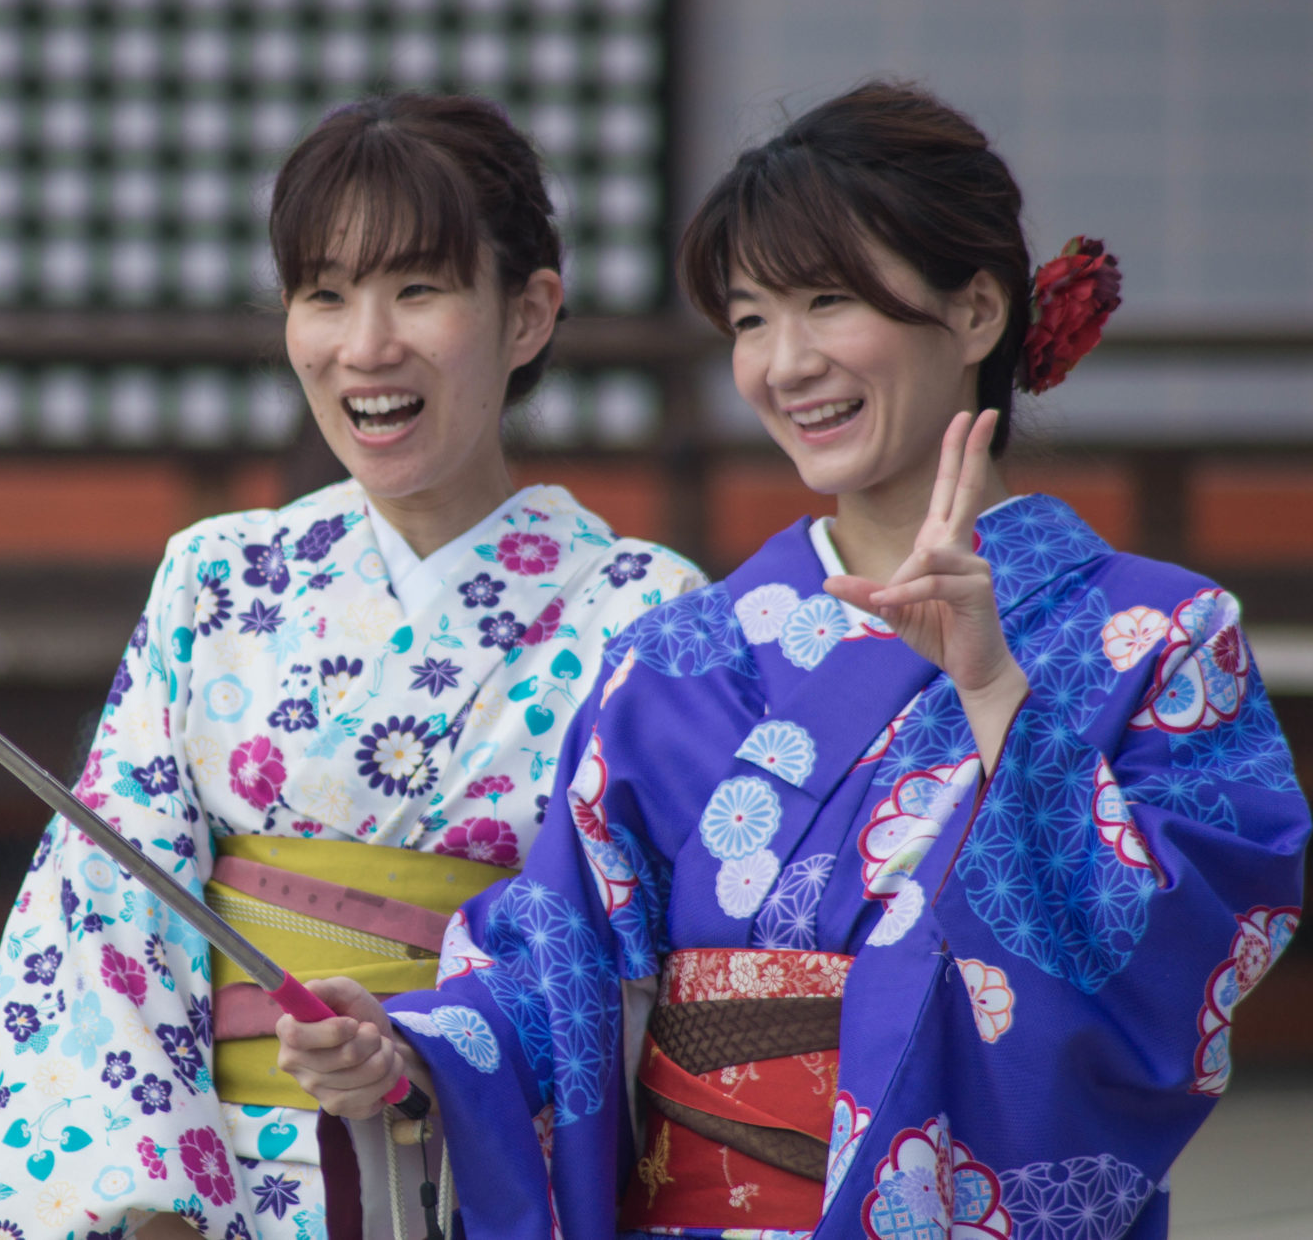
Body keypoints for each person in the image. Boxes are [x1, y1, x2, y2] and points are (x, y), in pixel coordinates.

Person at [278, 81, 1310, 1240]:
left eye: (827, 301)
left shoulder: (1156, 641)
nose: (785, 362)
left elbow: (1171, 980)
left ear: (975, 311)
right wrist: (411, 1047)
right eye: (751, 318)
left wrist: (995, 695)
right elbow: (559, 966)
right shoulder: (676, 657)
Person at [0, 93, 704, 1240]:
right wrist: (153, 1205)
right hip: (219, 1183)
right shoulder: (217, 578)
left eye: (417, 289)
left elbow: (647, 959)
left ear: (528, 313)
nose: (364, 344)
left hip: (492, 1186)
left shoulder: (648, 611)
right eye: (323, 294)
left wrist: (430, 1051)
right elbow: (103, 904)